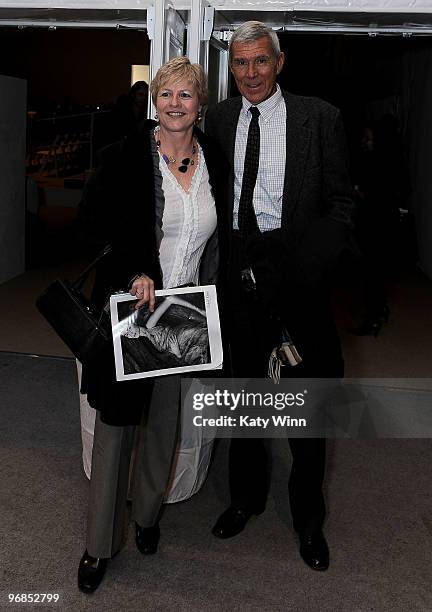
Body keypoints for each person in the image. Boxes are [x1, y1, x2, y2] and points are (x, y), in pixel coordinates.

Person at [205, 21, 354, 571]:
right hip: (239, 278)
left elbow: (341, 206)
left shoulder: (320, 118)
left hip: (299, 277)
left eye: (260, 61)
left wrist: (304, 271)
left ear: (280, 61)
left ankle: (308, 520)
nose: (250, 74)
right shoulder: (217, 120)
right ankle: (245, 499)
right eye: (240, 63)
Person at [76, 56, 227, 593]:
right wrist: (134, 268)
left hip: (184, 316)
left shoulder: (217, 161)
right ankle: (97, 546)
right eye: (166, 94)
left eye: (186, 94)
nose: (175, 104)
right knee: (116, 431)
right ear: (153, 101)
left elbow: (221, 242)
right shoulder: (124, 159)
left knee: (164, 426)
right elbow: (93, 227)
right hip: (133, 312)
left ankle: (145, 518)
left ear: (200, 104)